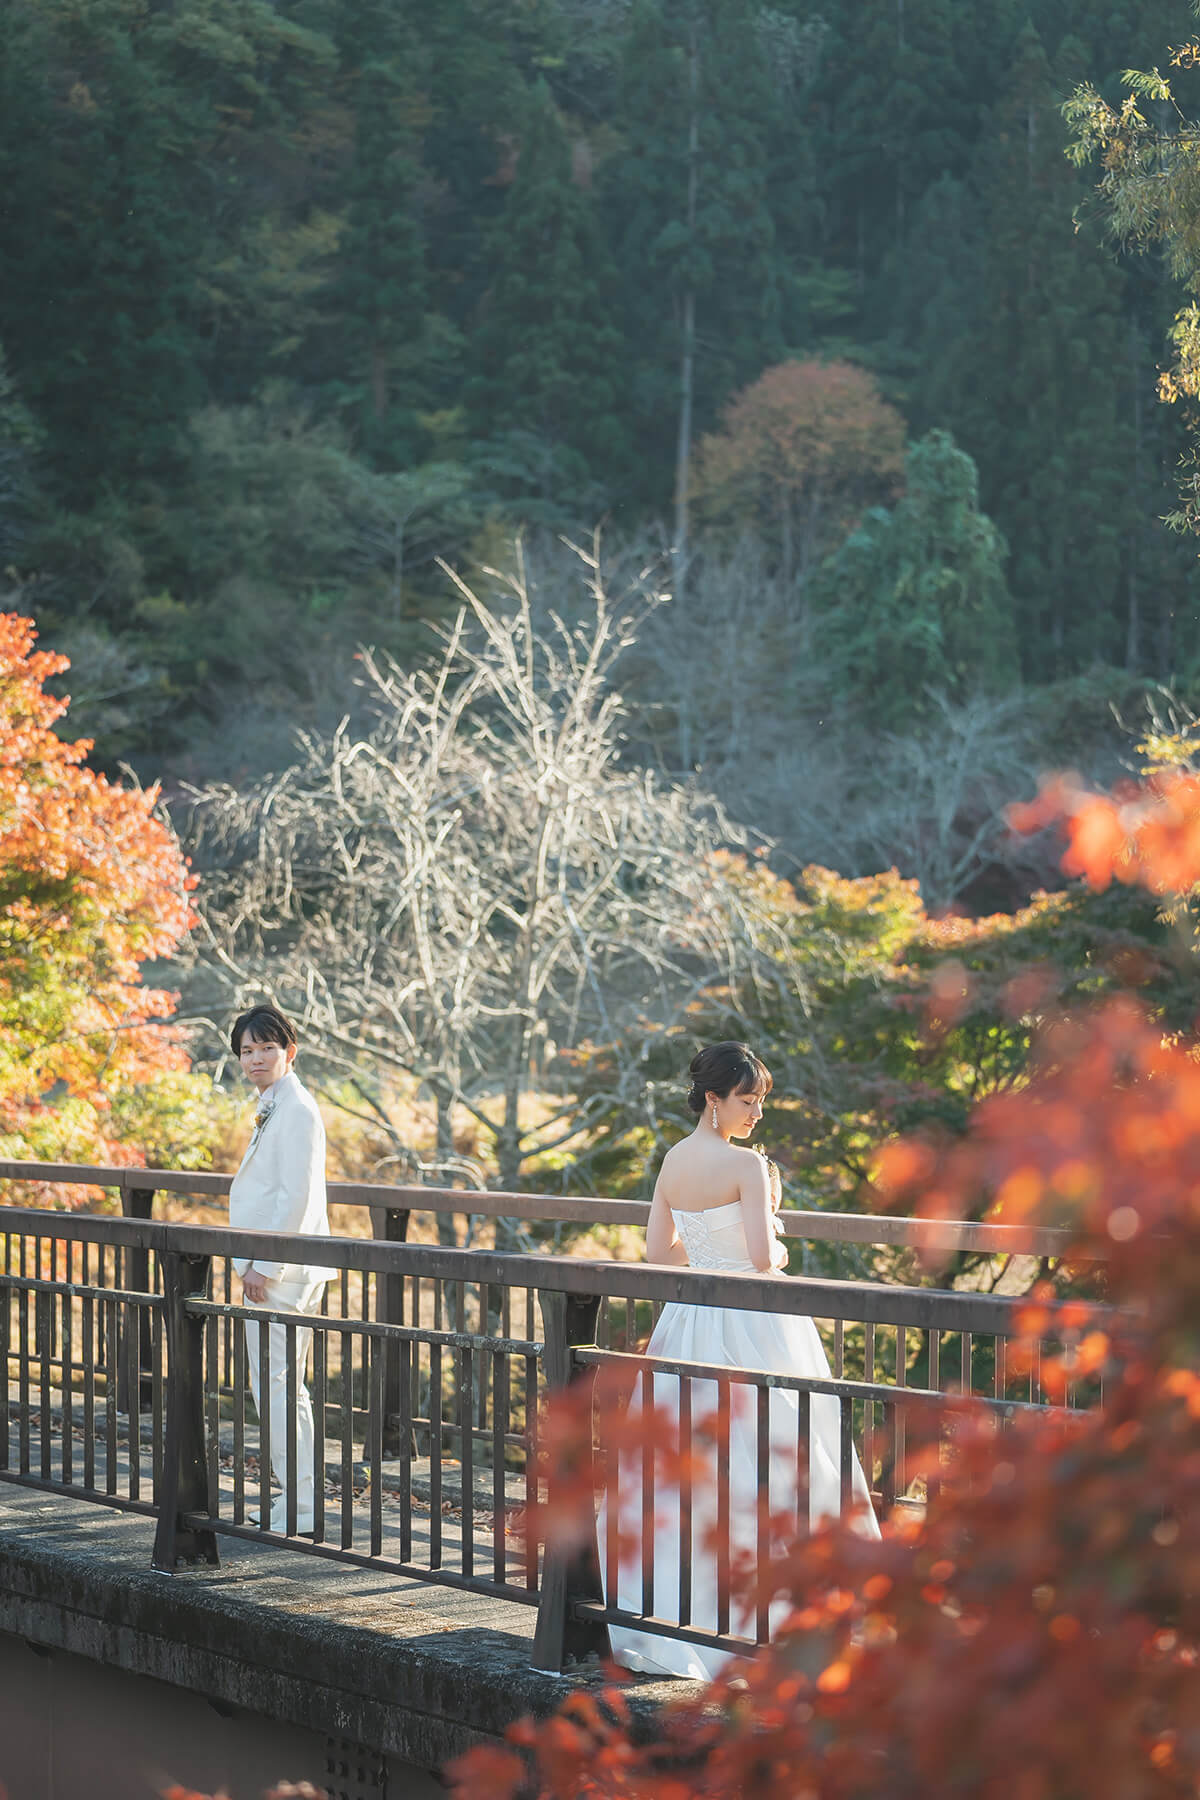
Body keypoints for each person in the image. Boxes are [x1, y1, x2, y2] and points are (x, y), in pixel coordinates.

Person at [601, 1041, 880, 1681]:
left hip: (691, 1318)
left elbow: (657, 1254)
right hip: (753, 1319)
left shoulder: (672, 1161)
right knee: (781, 1452)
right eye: (748, 1101)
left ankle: (683, 1616)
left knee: (692, 1467)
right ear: (713, 1099)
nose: (756, 1114)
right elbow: (761, 1260)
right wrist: (777, 1241)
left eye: (758, 1103)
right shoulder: (746, 1165)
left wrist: (708, 1256)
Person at [228, 1003, 332, 1535]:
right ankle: (295, 1503)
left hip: (281, 1278)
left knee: (279, 1388)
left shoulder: (296, 1110)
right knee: (280, 1389)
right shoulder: (277, 1105)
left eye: (267, 1047)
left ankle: (302, 1509)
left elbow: (296, 1198)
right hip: (278, 1274)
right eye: (247, 1050)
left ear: (289, 1050)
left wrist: (262, 1268)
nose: (256, 1058)